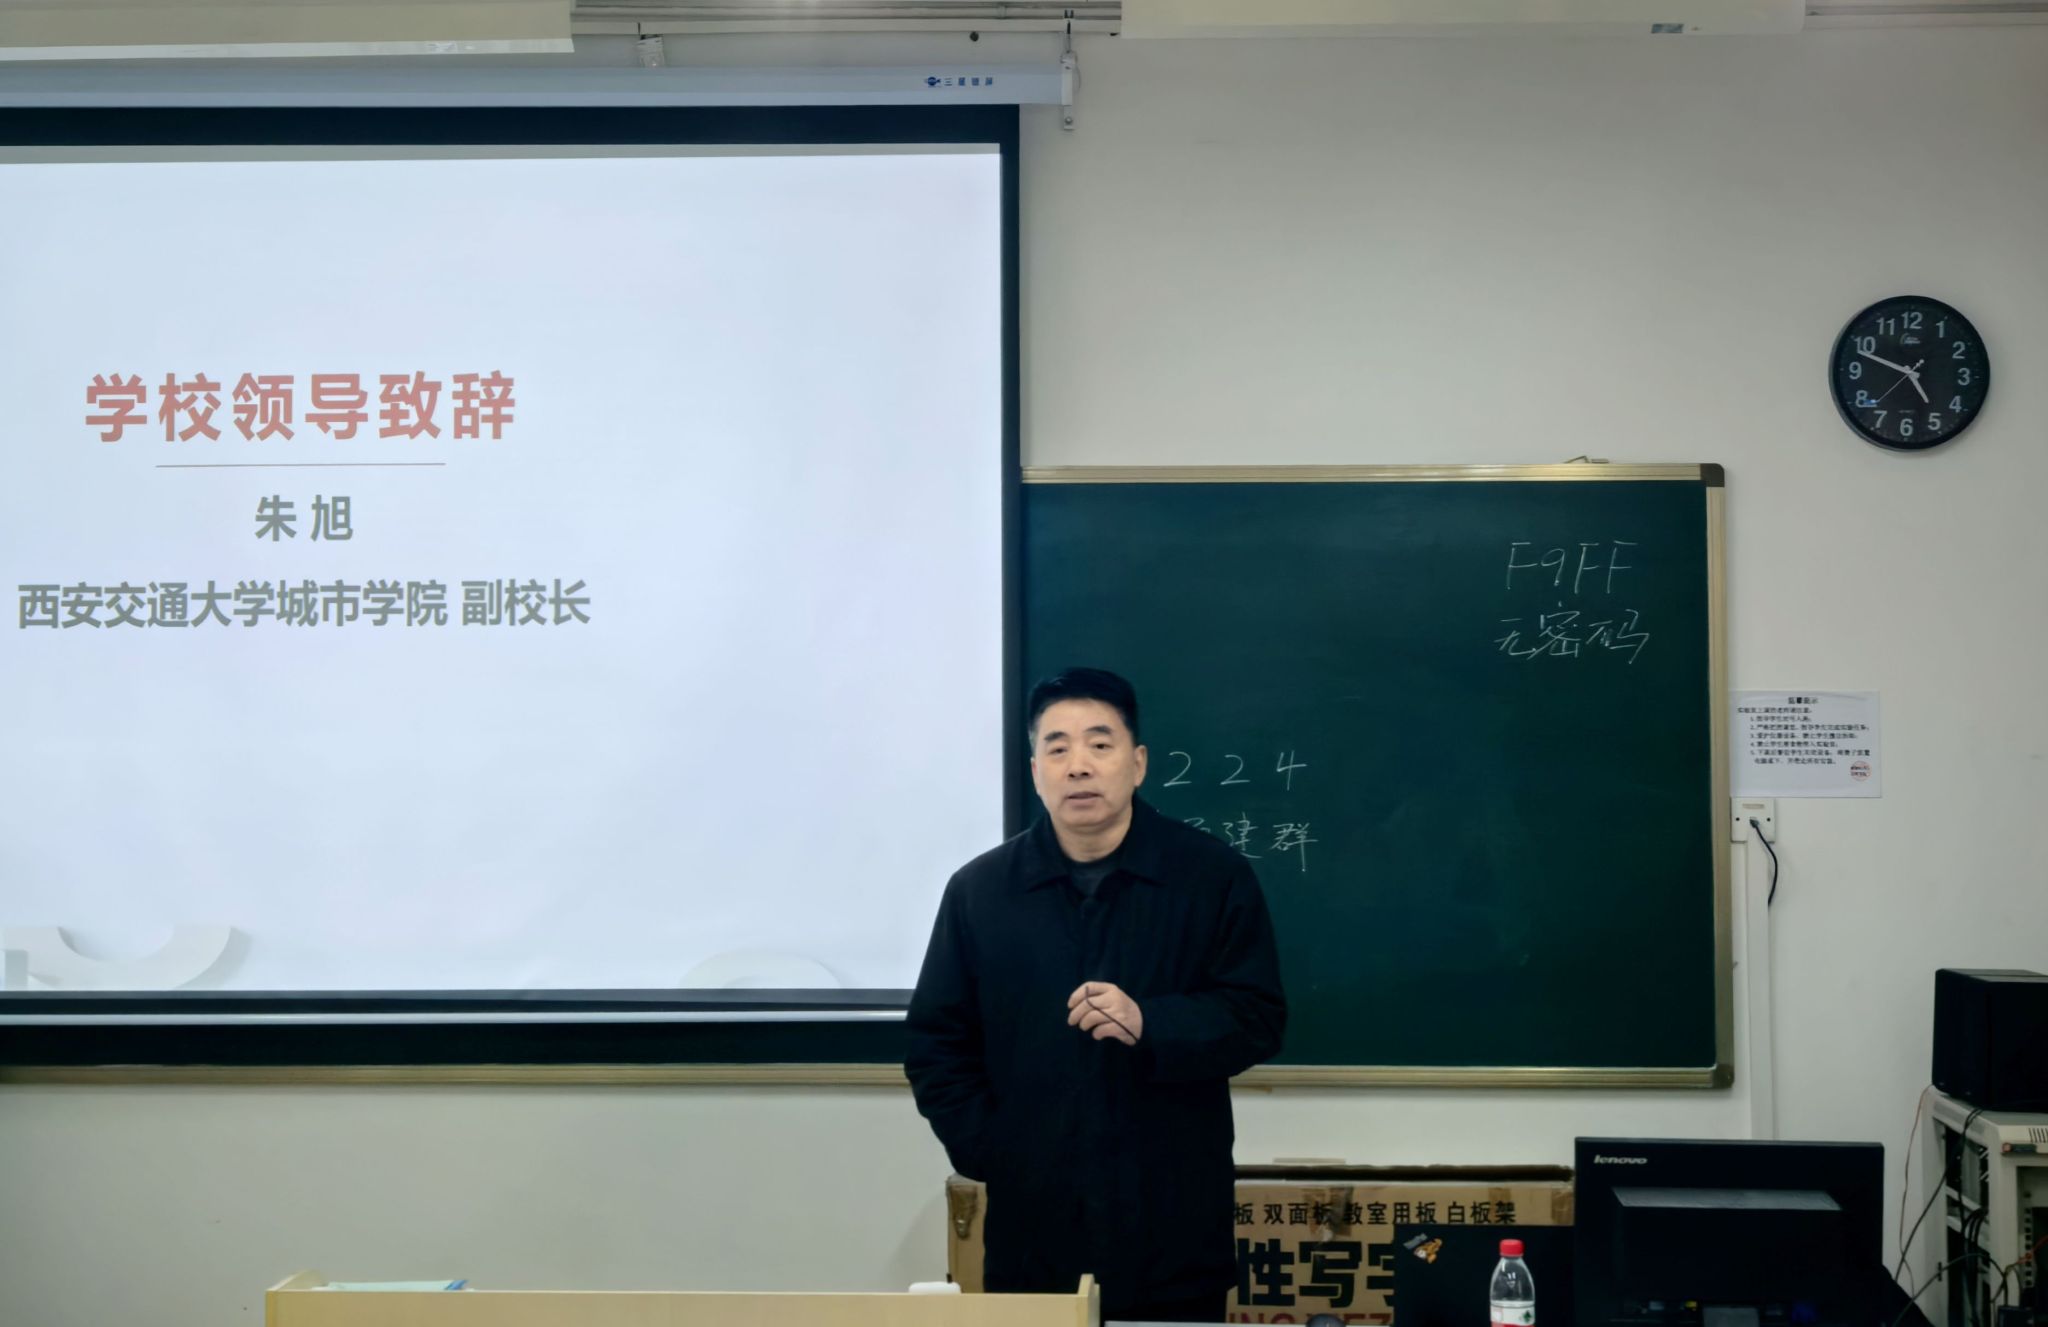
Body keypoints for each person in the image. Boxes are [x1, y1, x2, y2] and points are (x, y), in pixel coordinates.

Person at [906, 667, 1287, 1323]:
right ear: (1035, 772)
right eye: (1057, 748)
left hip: (1172, 1227)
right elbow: (936, 1043)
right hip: (1034, 1233)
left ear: (1137, 763)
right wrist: (993, 1151)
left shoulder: (1210, 876)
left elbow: (1258, 1016)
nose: (1078, 764)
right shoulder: (981, 891)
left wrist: (1152, 1022)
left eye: (1100, 744)